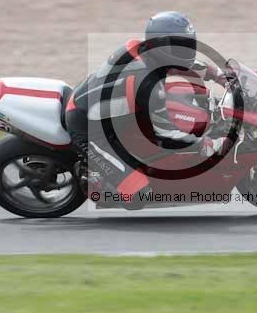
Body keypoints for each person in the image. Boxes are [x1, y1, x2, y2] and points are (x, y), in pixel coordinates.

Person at [65, 11, 229, 207]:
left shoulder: (145, 50)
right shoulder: (146, 84)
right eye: (179, 46)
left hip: (104, 108)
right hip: (88, 127)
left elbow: (180, 63)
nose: (186, 51)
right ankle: (95, 179)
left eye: (188, 44)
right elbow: (167, 135)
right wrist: (209, 145)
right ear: (160, 45)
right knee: (138, 195)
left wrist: (218, 74)